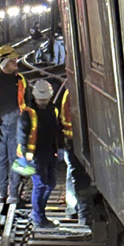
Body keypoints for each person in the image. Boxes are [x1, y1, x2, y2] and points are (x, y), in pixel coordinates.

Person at [0, 45, 31, 204]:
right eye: (12, 60)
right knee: (1, 160)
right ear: (4, 63)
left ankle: (13, 194)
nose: (16, 62)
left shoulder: (21, 81)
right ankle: (3, 193)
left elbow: (29, 105)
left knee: (15, 160)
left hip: (17, 128)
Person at [17, 80, 61, 228]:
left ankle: (38, 213)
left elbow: (56, 129)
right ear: (35, 97)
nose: (43, 102)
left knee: (51, 183)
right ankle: (38, 217)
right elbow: (22, 136)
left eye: (45, 99)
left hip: (49, 152)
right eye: (41, 100)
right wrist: (26, 155)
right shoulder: (28, 113)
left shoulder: (52, 110)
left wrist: (60, 147)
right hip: (35, 155)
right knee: (41, 184)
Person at [54, 82, 88, 224]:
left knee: (73, 175)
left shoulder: (67, 91)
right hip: (74, 141)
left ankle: (73, 210)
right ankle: (78, 212)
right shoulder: (71, 93)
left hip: (72, 140)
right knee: (76, 176)